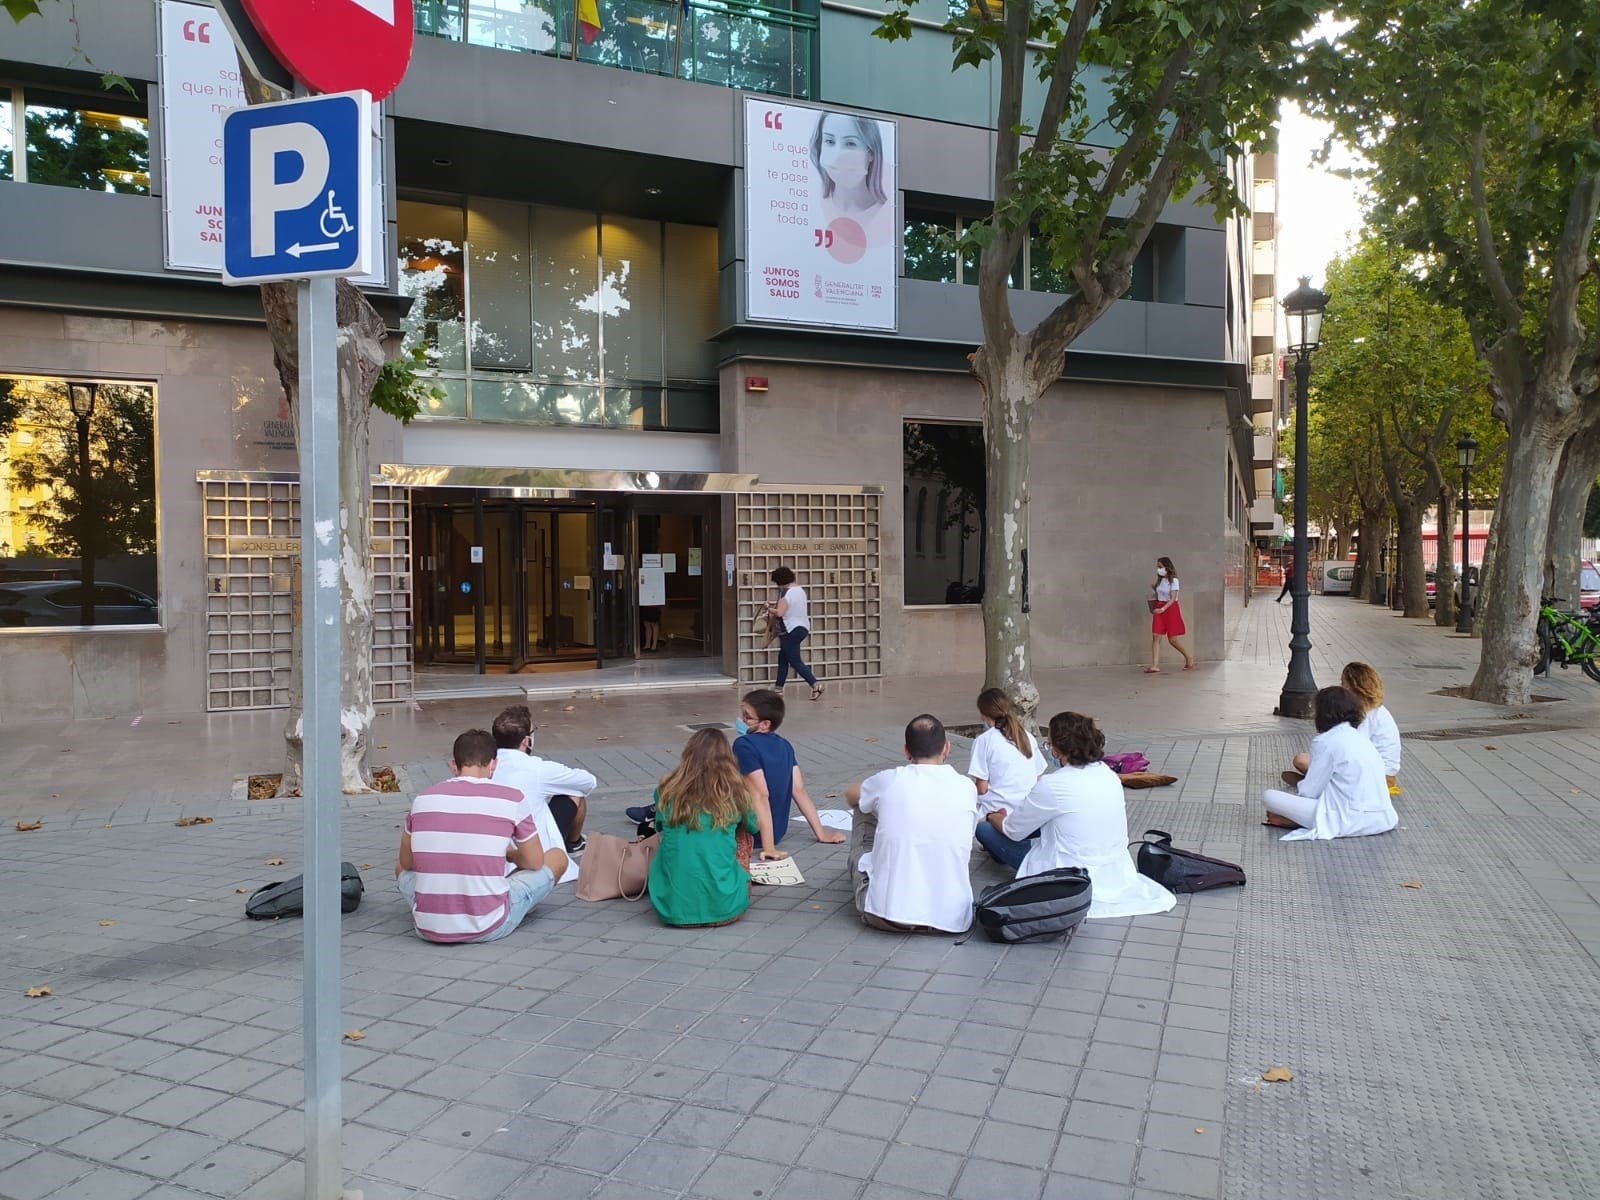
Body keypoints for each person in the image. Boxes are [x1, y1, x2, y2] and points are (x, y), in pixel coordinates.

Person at [980, 711, 1176, 919]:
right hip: (1114, 868)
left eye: (1049, 745)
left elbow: (1013, 831)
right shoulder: (1108, 775)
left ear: (1057, 750)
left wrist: (993, 816)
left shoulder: (1053, 784)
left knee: (983, 828)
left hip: (1067, 874)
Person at [395, 728, 568, 944]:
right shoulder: (512, 799)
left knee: (400, 868)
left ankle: (438, 908)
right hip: (488, 925)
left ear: (453, 765)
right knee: (557, 857)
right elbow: (535, 862)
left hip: (427, 927)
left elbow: (406, 863)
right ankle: (511, 903)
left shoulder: (422, 799)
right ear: (493, 764)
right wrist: (511, 855)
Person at [846, 714, 979, 933]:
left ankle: (877, 875)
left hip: (887, 916)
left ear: (906, 750)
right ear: (947, 748)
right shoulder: (966, 786)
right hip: (953, 920)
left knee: (863, 805)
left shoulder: (890, 779)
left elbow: (850, 794)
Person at [646, 730, 762, 927]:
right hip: (726, 908)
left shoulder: (666, 789)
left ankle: (682, 888)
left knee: (677, 835)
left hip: (671, 910)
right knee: (742, 832)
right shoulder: (736, 791)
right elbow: (753, 826)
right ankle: (725, 885)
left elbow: (658, 825)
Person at [1263, 686, 1398, 840]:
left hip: (1347, 819)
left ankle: (1295, 820)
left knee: (1268, 796)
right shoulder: (1361, 739)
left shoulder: (1325, 741)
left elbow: (1309, 792)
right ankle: (1296, 817)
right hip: (1383, 819)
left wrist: (1299, 796)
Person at [489, 704, 592, 857]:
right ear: (526, 741)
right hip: (530, 848)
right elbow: (588, 781)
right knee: (574, 791)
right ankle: (573, 843)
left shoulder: (483, 765)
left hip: (492, 843)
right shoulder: (537, 768)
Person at [1284, 662, 1402, 791]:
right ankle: (1321, 779)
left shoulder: (1366, 713)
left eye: (1343, 684)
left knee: (1301, 760)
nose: (1341, 688)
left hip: (1376, 777)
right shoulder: (1375, 709)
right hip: (1383, 773)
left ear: (1353, 686)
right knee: (1315, 760)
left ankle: (1321, 782)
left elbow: (1351, 749)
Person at [967, 688, 1049, 866]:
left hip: (999, 816)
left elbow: (981, 788)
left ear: (983, 714)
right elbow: (1037, 777)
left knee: (982, 829)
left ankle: (1024, 861)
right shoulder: (1027, 736)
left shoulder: (984, 740)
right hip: (1029, 816)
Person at [810, 111, 894, 250]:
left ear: (871, 153)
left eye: (850, 144)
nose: (838, 155)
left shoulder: (886, 214)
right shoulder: (809, 203)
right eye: (829, 141)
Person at [768, 565, 822, 699]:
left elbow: (780, 612)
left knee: (795, 661)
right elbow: (791, 607)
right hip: (803, 627)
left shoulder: (785, 592)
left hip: (790, 629)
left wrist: (768, 608)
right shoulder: (800, 590)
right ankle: (778, 688)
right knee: (783, 658)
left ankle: (815, 685)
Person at [1145, 555, 1195, 673]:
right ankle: (1155, 665)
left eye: (1160, 567)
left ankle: (1188, 657)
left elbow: (1172, 599)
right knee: (1156, 635)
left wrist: (1162, 609)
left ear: (1167, 567)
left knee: (1172, 639)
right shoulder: (1160, 580)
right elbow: (1161, 594)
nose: (1158, 569)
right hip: (1159, 607)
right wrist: (1155, 588)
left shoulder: (1175, 581)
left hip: (1170, 609)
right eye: (1158, 567)